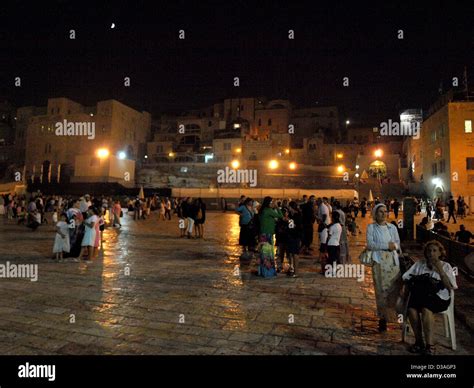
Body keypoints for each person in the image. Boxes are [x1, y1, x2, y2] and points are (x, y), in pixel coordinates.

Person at [402, 240, 458, 355]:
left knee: (426, 309)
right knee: (411, 310)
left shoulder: (446, 266)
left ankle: (430, 345)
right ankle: (419, 342)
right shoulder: (419, 264)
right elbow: (406, 277)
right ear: (425, 252)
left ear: (439, 253)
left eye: (434, 251)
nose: (431, 253)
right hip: (421, 295)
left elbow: (451, 287)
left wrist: (440, 271)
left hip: (440, 298)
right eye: (429, 250)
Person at [366, 203, 402, 332]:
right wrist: (387, 245)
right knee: (381, 292)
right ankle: (383, 318)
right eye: (380, 211)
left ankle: (395, 317)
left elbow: (397, 244)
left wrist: (395, 247)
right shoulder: (371, 227)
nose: (383, 213)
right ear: (376, 213)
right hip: (380, 264)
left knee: (394, 291)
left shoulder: (392, 227)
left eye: (385, 211)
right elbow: (370, 245)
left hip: (393, 263)